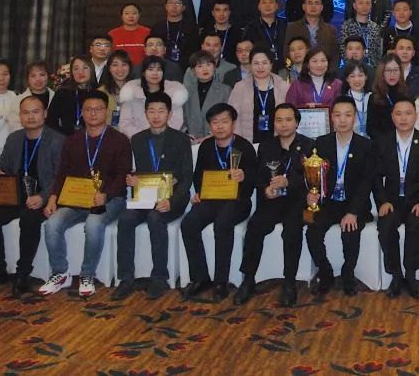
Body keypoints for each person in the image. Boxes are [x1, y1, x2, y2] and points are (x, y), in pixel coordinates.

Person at [39, 90, 131, 297]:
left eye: (98, 109)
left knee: (93, 223)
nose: (93, 113)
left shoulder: (119, 140)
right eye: (88, 110)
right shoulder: (73, 140)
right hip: (76, 199)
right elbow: (62, 172)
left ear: (106, 111)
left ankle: (87, 274)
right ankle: (60, 273)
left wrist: (106, 194)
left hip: (110, 199)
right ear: (82, 112)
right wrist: (53, 198)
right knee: (52, 224)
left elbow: (122, 175)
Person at [0, 95, 63, 296]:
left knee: (29, 219)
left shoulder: (57, 141)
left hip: (43, 198)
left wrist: (43, 197)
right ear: (20, 116)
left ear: (45, 114)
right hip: (16, 195)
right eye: (26, 113)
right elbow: (4, 163)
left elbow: (60, 176)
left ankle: (23, 273)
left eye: (36, 112)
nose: (31, 117)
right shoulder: (14, 138)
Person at [112, 92, 194, 300]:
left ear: (169, 114)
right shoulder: (138, 140)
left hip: (172, 198)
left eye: (161, 111)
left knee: (155, 218)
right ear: (146, 113)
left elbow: (186, 178)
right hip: (146, 196)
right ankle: (125, 278)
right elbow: (139, 173)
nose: (156, 116)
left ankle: (159, 278)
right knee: (125, 218)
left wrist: (171, 201)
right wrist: (132, 179)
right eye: (151, 111)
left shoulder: (181, 140)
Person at [235, 103, 313, 307]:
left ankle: (289, 282)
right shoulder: (266, 146)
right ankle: (248, 279)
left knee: (292, 231)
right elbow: (258, 176)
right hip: (272, 201)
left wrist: (289, 182)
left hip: (296, 201)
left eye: (288, 120)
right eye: (279, 120)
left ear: (297, 123)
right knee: (254, 227)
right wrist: (265, 189)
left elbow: (312, 179)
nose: (283, 124)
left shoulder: (309, 146)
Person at [180, 103, 257, 301]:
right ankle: (200, 278)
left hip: (238, 201)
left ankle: (221, 281)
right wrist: (199, 193)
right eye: (215, 122)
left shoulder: (244, 147)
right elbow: (199, 176)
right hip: (211, 199)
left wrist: (244, 177)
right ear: (210, 125)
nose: (220, 126)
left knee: (223, 223)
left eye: (224, 121)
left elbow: (254, 181)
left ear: (233, 123)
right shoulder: (206, 146)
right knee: (188, 223)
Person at [305, 98, 377, 297]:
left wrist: (353, 212)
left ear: (355, 118)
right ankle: (325, 272)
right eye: (338, 115)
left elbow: (366, 183)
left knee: (350, 232)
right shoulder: (321, 143)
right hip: (329, 204)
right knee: (312, 232)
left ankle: (348, 274)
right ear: (332, 118)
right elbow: (312, 176)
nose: (342, 120)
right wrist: (312, 193)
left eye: (347, 115)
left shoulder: (366, 145)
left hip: (354, 204)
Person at [374, 97, 419, 299]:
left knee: (415, 227)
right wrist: (383, 201)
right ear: (392, 117)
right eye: (399, 113)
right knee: (385, 227)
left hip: (417, 201)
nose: (403, 118)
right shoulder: (382, 143)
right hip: (392, 201)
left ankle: (411, 275)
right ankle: (396, 275)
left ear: (415, 116)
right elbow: (375, 177)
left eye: (408, 113)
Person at [229, 48, 291, 143]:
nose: (260, 67)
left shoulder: (284, 87)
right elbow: (232, 117)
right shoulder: (240, 87)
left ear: (271, 64)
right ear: (250, 65)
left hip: (278, 142)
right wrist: (240, 143)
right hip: (248, 143)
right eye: (256, 63)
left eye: (264, 63)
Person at [117, 56, 188, 137]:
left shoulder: (174, 93)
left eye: (159, 69)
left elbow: (176, 121)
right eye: (150, 69)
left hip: (167, 139)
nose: (155, 73)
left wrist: (159, 136)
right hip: (138, 139)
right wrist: (144, 136)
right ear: (143, 73)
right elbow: (125, 123)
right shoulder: (131, 92)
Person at [183, 52, 233, 142]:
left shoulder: (225, 90)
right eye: (200, 66)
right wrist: (186, 135)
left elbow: (230, 117)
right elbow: (182, 118)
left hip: (218, 139)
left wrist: (211, 135)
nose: (205, 69)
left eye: (208, 65)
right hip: (192, 141)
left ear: (214, 67)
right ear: (193, 70)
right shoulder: (186, 92)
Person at [284, 0, 340, 65]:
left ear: (321, 7)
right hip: (298, 70)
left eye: (317, 3)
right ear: (303, 7)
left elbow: (335, 56)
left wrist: (331, 70)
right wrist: (291, 68)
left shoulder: (331, 30)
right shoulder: (291, 28)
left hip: (323, 69)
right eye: (310, 3)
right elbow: (286, 52)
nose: (313, 6)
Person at [47, 56, 95, 136]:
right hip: (66, 139)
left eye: (85, 68)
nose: (81, 72)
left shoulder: (98, 93)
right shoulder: (62, 93)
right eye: (76, 69)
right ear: (72, 72)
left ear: (92, 70)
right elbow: (50, 122)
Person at [368, 54, 410, 138]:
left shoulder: (406, 95)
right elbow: (371, 129)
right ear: (382, 73)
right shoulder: (375, 98)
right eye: (388, 70)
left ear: (400, 72)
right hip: (383, 142)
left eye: (396, 70)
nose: (392, 74)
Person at [150, 0, 198, 67]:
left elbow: (195, 50)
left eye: (178, 3)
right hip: (161, 66)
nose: (174, 6)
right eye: (170, 3)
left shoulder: (191, 27)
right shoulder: (157, 27)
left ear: (184, 7)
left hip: (186, 66)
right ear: (166, 6)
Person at [340, 0, 384, 67]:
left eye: (368, 3)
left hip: (372, 67)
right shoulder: (347, 25)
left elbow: (378, 51)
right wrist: (350, 65)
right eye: (361, 3)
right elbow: (342, 48)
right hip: (352, 67)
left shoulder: (375, 27)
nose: (364, 6)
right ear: (354, 6)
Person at [242, 0, 287, 64]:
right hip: (261, 66)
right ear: (258, 6)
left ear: (277, 6)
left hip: (285, 65)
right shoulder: (251, 27)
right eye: (264, 2)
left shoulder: (286, 24)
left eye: (271, 2)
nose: (267, 5)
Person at [99, 50, 133, 127]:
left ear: (130, 67)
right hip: (108, 133)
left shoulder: (137, 91)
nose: (120, 69)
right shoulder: (100, 93)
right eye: (115, 65)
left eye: (124, 64)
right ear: (109, 68)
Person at [341, 60, 373, 137]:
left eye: (360, 75)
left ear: (366, 77)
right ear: (347, 79)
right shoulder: (343, 100)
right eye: (352, 76)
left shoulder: (372, 97)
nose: (357, 79)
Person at [208, 0, 239, 64]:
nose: (221, 14)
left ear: (229, 12)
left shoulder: (239, 34)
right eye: (218, 10)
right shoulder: (205, 33)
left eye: (225, 10)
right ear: (212, 13)